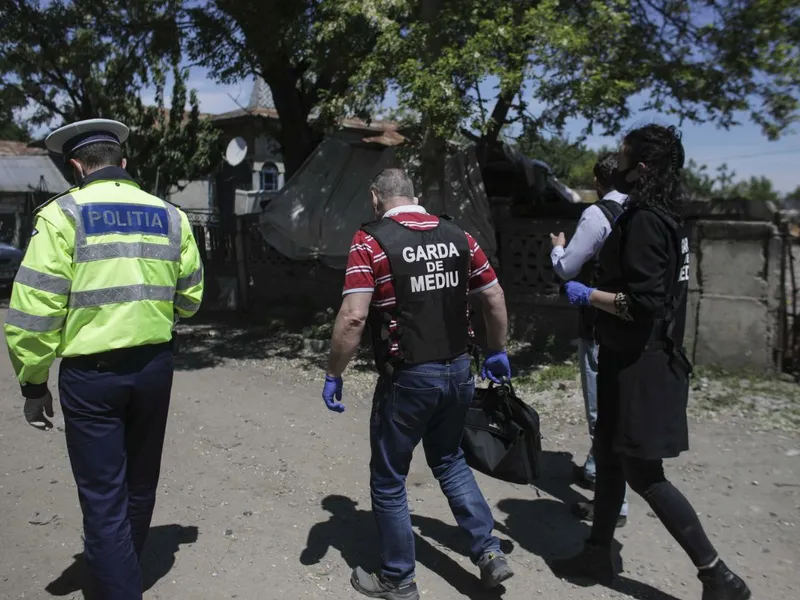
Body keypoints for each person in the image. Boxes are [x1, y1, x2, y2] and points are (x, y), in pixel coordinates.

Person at [4, 119, 204, 600]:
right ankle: (122, 570)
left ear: (76, 167)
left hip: (92, 378)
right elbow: (191, 297)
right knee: (139, 482)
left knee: (103, 495)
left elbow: (33, 315)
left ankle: (117, 586)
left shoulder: (62, 217)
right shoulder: (170, 215)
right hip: (155, 368)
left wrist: (34, 385)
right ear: (123, 163)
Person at [552, 124, 751, 600]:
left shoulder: (643, 220)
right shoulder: (665, 215)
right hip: (631, 357)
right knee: (610, 458)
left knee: (644, 473)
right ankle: (598, 553)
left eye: (622, 157)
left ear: (640, 167)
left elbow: (642, 303)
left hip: (642, 364)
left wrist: (589, 295)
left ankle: (718, 576)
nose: (614, 163)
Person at [322, 168, 513, 600]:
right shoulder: (459, 235)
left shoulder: (370, 240)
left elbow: (353, 316)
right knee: (448, 459)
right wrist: (498, 350)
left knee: (389, 479)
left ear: (376, 198)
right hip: (460, 368)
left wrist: (335, 372)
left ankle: (398, 578)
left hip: (408, 377)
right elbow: (494, 295)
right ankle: (488, 552)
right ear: (416, 195)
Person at [549, 151, 629, 527]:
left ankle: (614, 502)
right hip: (635, 323)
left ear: (599, 182)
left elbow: (568, 268)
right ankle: (597, 467)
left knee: (601, 408)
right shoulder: (644, 213)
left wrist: (557, 247)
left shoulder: (598, 214)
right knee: (619, 402)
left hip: (599, 320)